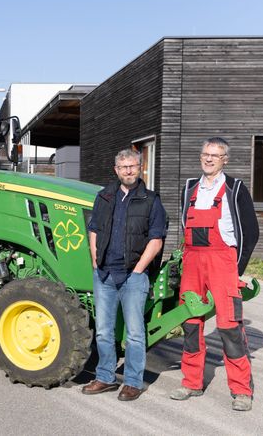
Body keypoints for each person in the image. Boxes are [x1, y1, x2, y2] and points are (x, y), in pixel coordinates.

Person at [170, 137, 259, 411]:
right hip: (193, 261)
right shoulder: (189, 188)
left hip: (223, 261)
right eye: (206, 154)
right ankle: (191, 383)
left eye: (215, 155)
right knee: (190, 323)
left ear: (225, 160)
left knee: (230, 327)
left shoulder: (235, 188)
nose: (209, 159)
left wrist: (235, 269)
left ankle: (242, 390)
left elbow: (251, 232)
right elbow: (183, 228)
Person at [82, 148, 167, 401]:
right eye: (123, 167)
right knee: (104, 331)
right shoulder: (105, 197)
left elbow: (156, 239)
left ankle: (132, 382)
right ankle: (105, 377)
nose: (128, 171)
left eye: (132, 166)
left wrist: (139, 269)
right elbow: (94, 229)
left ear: (140, 168)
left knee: (134, 333)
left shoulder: (151, 200)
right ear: (116, 170)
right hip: (105, 274)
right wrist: (96, 261)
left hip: (133, 276)